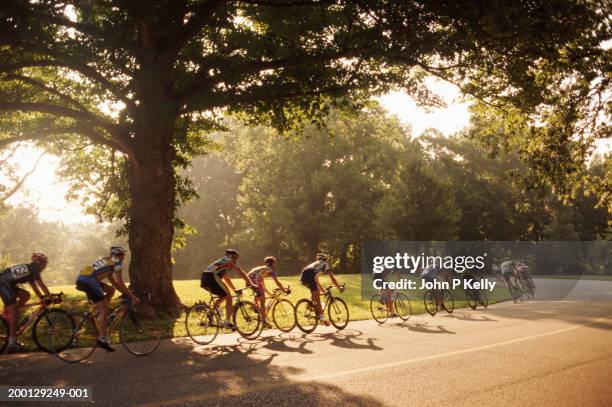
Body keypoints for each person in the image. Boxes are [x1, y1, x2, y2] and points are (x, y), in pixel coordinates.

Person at [76, 246, 140, 352]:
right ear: (119, 255)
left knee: (110, 290)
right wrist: (131, 296)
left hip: (83, 278)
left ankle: (99, 312)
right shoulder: (117, 263)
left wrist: (125, 293)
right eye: (123, 256)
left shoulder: (107, 260)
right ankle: (102, 339)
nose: (123, 258)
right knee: (104, 310)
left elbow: (114, 284)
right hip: (89, 281)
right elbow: (119, 281)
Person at [0, 253, 52, 353]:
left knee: (26, 295)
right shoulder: (35, 269)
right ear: (40, 263)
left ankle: (9, 313)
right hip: (3, 283)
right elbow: (41, 284)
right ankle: (12, 342)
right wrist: (50, 297)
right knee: (15, 313)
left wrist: (41, 297)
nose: (44, 268)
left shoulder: (30, 268)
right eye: (44, 265)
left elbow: (34, 286)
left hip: (6, 283)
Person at [201, 249, 254, 330]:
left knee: (224, 295)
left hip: (205, 278)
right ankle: (227, 322)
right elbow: (242, 273)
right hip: (212, 277)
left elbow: (226, 279)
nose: (235, 261)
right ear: (233, 257)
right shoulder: (229, 261)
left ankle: (211, 313)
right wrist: (252, 285)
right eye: (235, 259)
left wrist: (234, 289)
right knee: (229, 297)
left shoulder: (223, 261)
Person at [300, 253, 343, 326]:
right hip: (310, 276)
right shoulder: (325, 264)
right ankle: (322, 319)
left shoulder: (315, 265)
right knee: (318, 299)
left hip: (303, 275)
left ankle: (310, 304)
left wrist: (325, 291)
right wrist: (339, 287)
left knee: (316, 292)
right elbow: (332, 279)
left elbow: (317, 282)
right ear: (325, 260)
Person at [248, 256, 289, 328]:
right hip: (254, 279)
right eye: (275, 263)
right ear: (273, 263)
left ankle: (255, 306)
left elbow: (263, 287)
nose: (275, 265)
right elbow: (277, 282)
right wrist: (284, 290)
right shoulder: (270, 269)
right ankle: (263, 321)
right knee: (262, 300)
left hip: (252, 278)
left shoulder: (264, 269)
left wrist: (270, 294)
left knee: (261, 295)